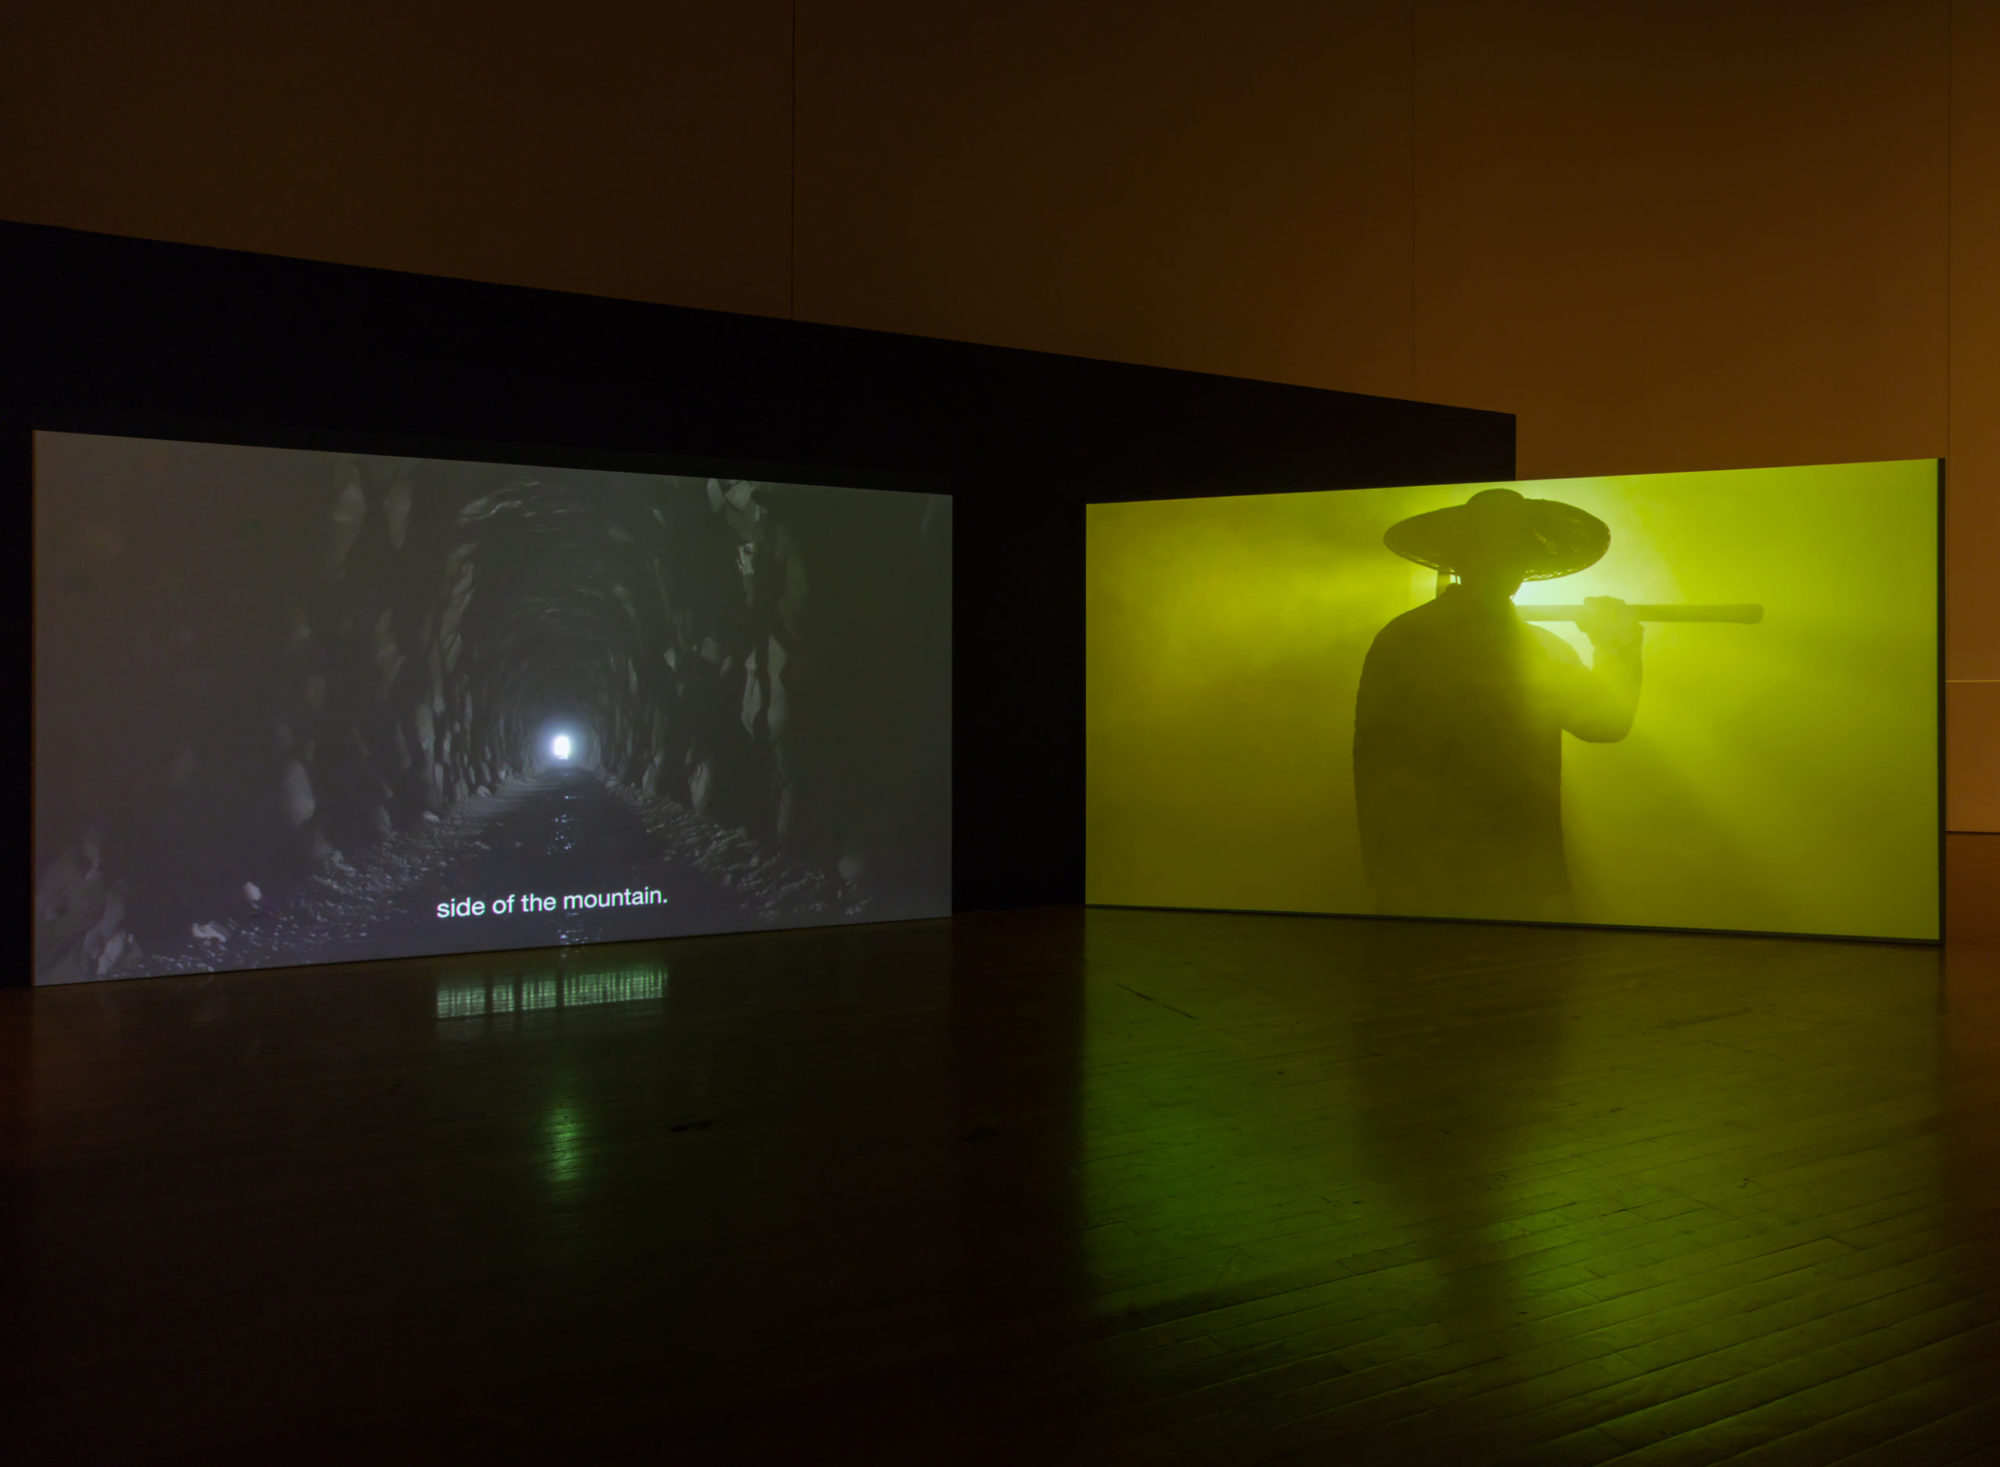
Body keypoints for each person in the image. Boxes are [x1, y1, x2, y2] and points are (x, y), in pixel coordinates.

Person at [1353, 487, 1641, 922]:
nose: (1506, 563)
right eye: (1495, 549)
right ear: (1465, 557)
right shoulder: (1534, 649)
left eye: (1511, 551)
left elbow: (1605, 723)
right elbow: (1606, 722)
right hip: (1466, 873)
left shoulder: (1403, 637)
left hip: (1442, 873)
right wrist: (1616, 646)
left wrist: (1615, 645)